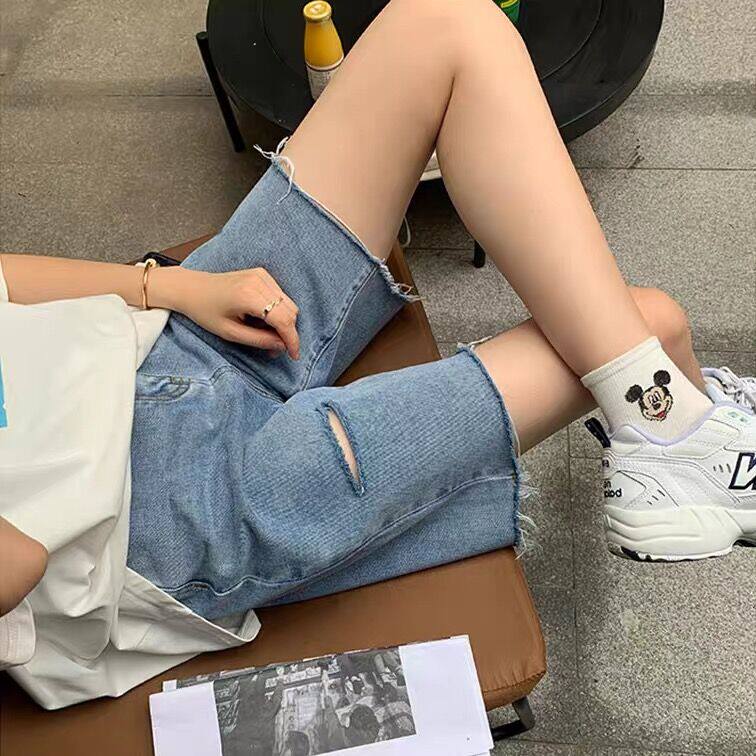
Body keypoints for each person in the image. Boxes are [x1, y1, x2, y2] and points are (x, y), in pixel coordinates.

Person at [0, 0, 753, 706]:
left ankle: (678, 433)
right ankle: (681, 432)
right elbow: (19, 564)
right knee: (647, 325)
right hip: (151, 519)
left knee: (446, 25)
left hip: (154, 342)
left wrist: (166, 286)